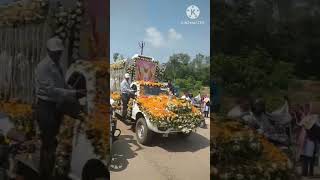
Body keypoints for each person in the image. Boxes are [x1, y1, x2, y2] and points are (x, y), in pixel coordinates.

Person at [35, 37, 86, 180]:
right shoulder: (43, 67)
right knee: (49, 144)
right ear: (48, 51)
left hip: (55, 106)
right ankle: (44, 174)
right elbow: (51, 90)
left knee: (53, 142)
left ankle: (49, 172)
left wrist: (74, 91)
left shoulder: (57, 65)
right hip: (46, 107)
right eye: (55, 52)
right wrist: (73, 93)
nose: (57, 55)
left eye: (59, 52)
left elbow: (63, 85)